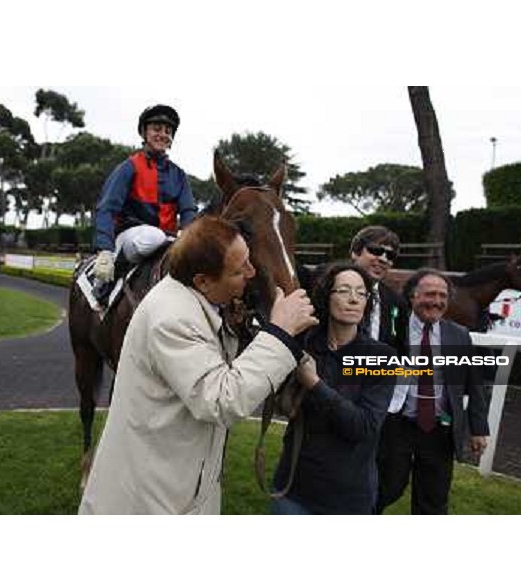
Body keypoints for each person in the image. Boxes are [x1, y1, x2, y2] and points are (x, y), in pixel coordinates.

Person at [79, 215, 318, 515]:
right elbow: (222, 399)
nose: (252, 271)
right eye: (239, 268)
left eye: (248, 259)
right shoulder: (172, 317)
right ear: (203, 280)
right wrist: (280, 334)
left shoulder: (197, 297)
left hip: (177, 482)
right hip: (150, 499)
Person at [272, 262, 396, 514]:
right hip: (293, 489)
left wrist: (314, 384)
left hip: (347, 497)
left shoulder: (380, 357)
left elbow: (363, 427)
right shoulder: (304, 343)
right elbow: (278, 402)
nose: (353, 299)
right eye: (344, 291)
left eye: (361, 293)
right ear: (326, 297)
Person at [376, 268, 490, 515]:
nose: (436, 301)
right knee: (387, 488)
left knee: (434, 500)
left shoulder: (458, 335)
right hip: (397, 426)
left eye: (442, 296)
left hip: (440, 430)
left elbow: (474, 383)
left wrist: (478, 428)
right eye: (429, 294)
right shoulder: (394, 330)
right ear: (413, 297)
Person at [92, 104, 198, 304]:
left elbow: (188, 210)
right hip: (131, 237)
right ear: (144, 133)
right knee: (153, 236)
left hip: (167, 239)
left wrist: (188, 232)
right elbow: (107, 209)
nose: (163, 135)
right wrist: (104, 248)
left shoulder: (179, 175)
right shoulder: (128, 167)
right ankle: (110, 273)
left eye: (168, 131)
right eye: (157, 129)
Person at [350, 225, 408, 355]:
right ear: (355, 252)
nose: (383, 259)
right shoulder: (329, 286)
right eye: (376, 250)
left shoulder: (397, 302)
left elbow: (400, 348)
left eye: (390, 255)